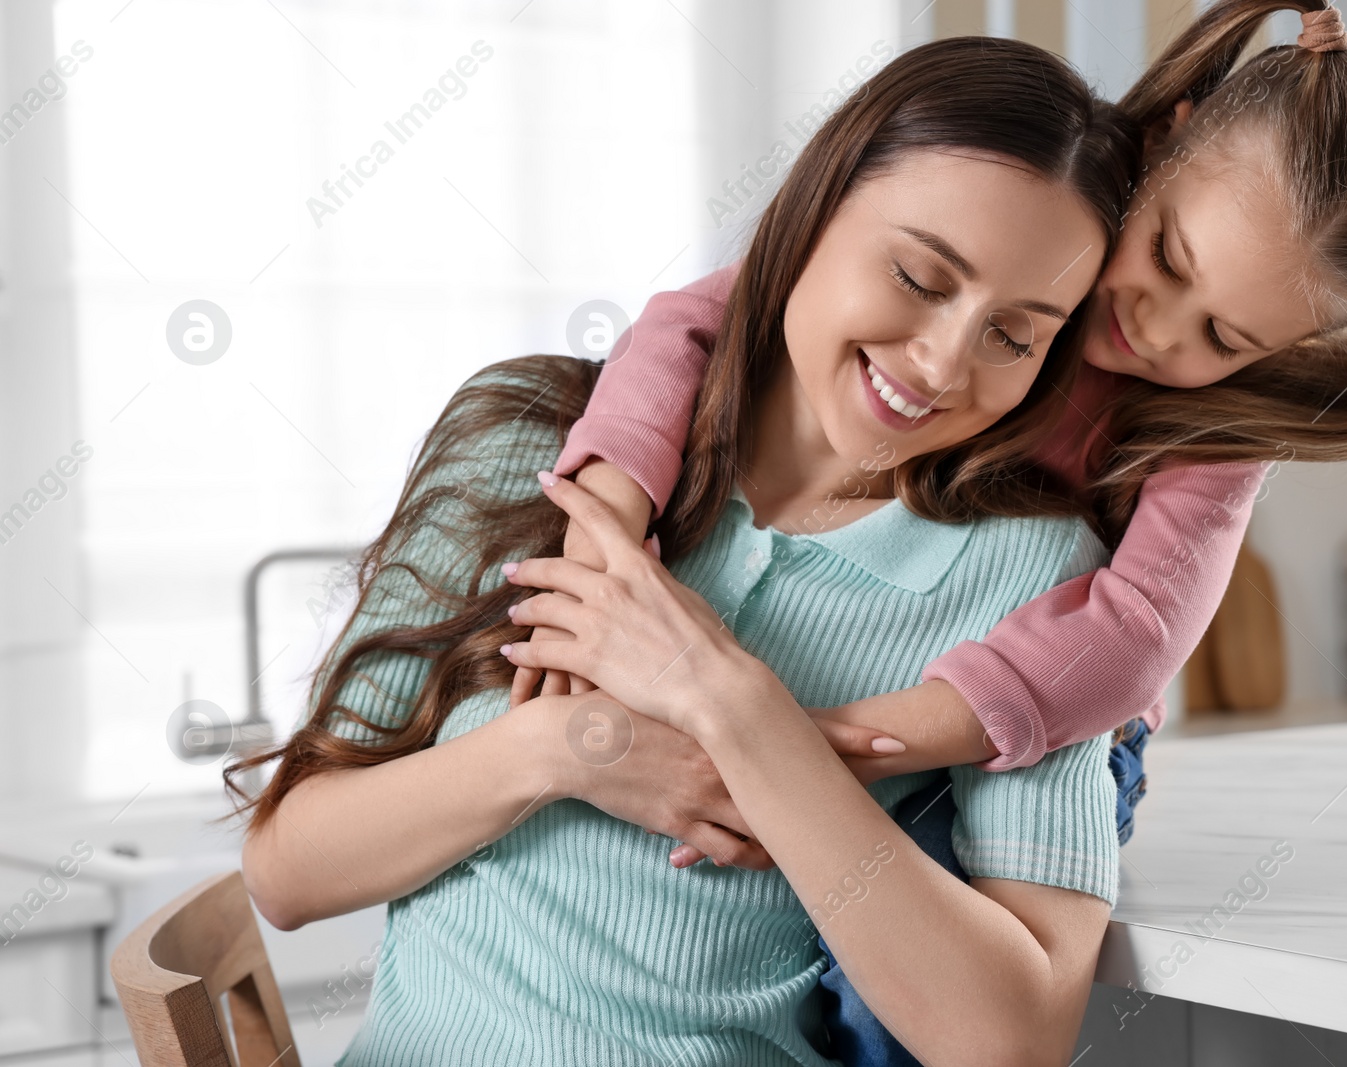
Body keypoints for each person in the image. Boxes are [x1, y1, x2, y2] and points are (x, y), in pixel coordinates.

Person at [506, 3, 1347, 1062]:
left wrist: (835, 745)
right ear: (1163, 139)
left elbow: (1131, 637)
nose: (1155, 330)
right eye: (1166, 257)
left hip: (1040, 712)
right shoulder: (1026, 229)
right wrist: (608, 520)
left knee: (898, 987)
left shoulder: (1217, 435)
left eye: (1225, 335)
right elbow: (699, 320)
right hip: (901, 646)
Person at [234, 34, 1143, 1065]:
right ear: (812, 211)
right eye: (919, 275)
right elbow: (285, 872)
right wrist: (563, 751)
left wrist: (726, 697)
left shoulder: (1039, 579)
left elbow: (1011, 1038)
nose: (942, 362)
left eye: (1014, 337)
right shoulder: (530, 440)